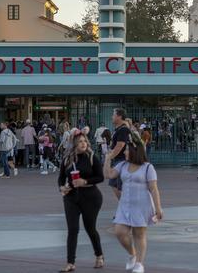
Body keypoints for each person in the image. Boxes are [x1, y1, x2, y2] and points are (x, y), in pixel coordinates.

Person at [104, 137, 162, 273]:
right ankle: (132, 254)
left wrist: (158, 208)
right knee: (119, 232)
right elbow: (108, 175)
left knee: (139, 234)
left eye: (127, 150)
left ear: (135, 151)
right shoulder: (122, 165)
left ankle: (139, 264)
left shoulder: (148, 167)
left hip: (142, 205)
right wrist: (108, 158)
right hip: (125, 205)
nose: (125, 153)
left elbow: (154, 188)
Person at [57, 133, 105, 272]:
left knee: (90, 228)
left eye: (85, 141)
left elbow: (100, 177)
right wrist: (62, 187)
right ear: (74, 144)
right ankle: (70, 262)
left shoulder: (91, 157)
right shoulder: (67, 159)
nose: (83, 143)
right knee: (73, 229)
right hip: (71, 197)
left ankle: (99, 255)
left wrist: (85, 181)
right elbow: (61, 178)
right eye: (80, 142)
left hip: (91, 197)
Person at [109, 108, 133, 200]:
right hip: (118, 161)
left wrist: (109, 158)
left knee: (120, 186)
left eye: (114, 115)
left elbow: (120, 146)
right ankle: (124, 208)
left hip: (121, 160)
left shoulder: (123, 130)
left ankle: (126, 208)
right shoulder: (119, 129)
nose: (112, 117)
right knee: (114, 184)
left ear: (119, 116)